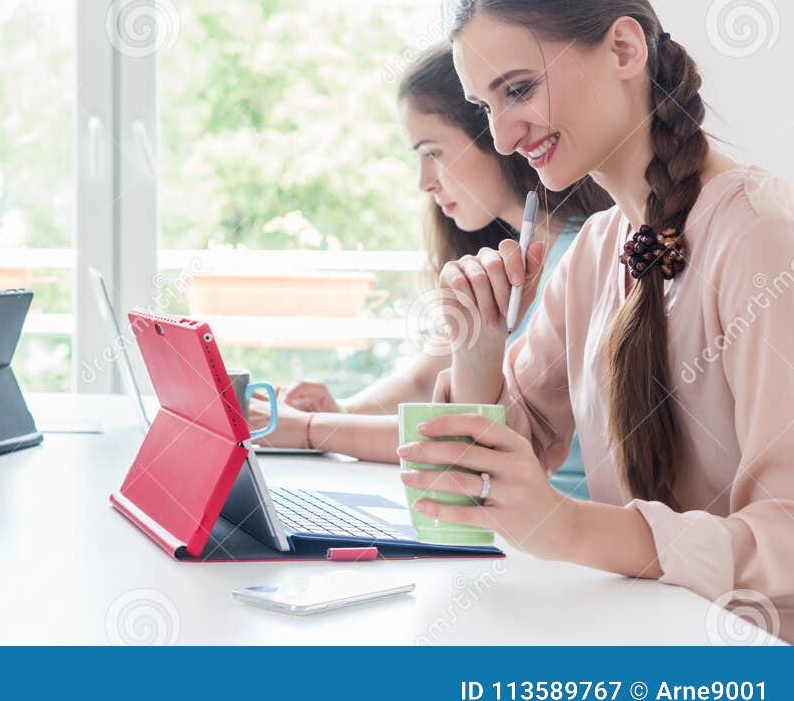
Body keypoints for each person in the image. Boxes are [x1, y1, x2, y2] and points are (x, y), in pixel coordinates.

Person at [405, 0, 794, 633]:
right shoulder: (594, 252)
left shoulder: (760, 238)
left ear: (622, 49)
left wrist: (574, 529)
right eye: (485, 106)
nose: (502, 137)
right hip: (648, 639)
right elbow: (472, 492)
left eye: (519, 89)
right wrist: (479, 346)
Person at [256, 45, 609, 497]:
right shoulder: (502, 254)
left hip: (553, 518)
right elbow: (425, 380)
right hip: (505, 512)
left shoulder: (581, 255)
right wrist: (341, 409)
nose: (424, 180)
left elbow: (469, 435)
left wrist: (310, 429)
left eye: (433, 152)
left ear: (495, 139)